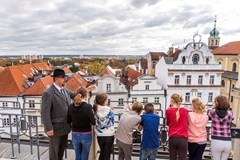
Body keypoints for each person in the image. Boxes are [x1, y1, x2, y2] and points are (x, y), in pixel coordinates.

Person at [41, 68, 75, 160]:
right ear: (56, 78)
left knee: (61, 152)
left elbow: (74, 95)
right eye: (63, 77)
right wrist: (48, 127)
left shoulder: (64, 89)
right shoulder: (48, 93)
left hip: (65, 127)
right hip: (55, 129)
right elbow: (45, 112)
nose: (65, 79)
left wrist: (85, 92)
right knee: (54, 154)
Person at [67, 86, 96, 160]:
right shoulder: (88, 107)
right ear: (86, 95)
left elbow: (68, 120)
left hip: (75, 134)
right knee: (84, 155)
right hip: (86, 134)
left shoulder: (70, 106)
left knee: (77, 155)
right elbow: (93, 122)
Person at [208, 95, 233, 160]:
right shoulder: (230, 113)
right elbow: (231, 119)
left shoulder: (212, 112)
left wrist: (215, 107)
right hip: (227, 141)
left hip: (216, 140)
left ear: (217, 103)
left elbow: (209, 116)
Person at [166, 93, 188, 160]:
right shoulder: (186, 111)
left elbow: (168, 123)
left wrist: (169, 108)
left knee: (172, 158)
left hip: (173, 137)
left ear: (172, 101)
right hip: (183, 138)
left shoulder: (168, 111)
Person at [93, 93, 115, 160]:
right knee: (107, 155)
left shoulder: (94, 109)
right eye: (107, 99)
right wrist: (109, 108)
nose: (108, 100)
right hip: (109, 135)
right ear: (104, 101)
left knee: (102, 152)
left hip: (100, 135)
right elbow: (112, 122)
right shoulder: (109, 110)